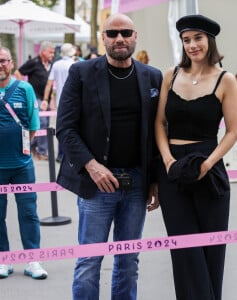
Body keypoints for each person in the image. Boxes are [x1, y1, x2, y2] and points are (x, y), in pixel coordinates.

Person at [56, 13, 163, 300]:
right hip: (97, 184)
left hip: (137, 183)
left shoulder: (152, 76)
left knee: (128, 261)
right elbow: (65, 128)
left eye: (126, 33)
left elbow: (156, 134)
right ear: (102, 37)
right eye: (113, 33)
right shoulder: (81, 73)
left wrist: (154, 181)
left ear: (135, 36)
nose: (120, 39)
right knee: (89, 261)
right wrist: (92, 167)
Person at [155, 14, 237, 300]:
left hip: (209, 167)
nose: (192, 45)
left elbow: (232, 131)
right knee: (184, 251)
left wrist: (207, 162)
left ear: (210, 41)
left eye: (198, 38)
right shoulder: (171, 75)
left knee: (211, 251)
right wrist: (168, 161)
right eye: (186, 40)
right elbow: (159, 124)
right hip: (173, 169)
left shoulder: (226, 80)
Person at [0, 46, 48, 279]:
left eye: (4, 61)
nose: (0, 65)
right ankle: (4, 259)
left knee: (28, 213)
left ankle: (32, 259)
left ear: (11, 63)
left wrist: (24, 151)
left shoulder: (25, 88)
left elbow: (34, 125)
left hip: (22, 166)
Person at [14, 41, 55, 160]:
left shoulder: (51, 64)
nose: (52, 54)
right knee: (41, 122)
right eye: (50, 52)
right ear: (43, 51)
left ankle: (32, 145)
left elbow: (50, 84)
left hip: (45, 98)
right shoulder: (34, 62)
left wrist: (51, 99)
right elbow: (18, 72)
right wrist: (24, 87)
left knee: (45, 123)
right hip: (35, 96)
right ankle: (41, 151)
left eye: (53, 52)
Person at [43, 43, 76, 163]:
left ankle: (61, 154)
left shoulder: (56, 64)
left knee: (61, 126)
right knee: (72, 127)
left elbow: (49, 83)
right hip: (73, 100)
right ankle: (69, 155)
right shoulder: (73, 64)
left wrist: (46, 99)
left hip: (60, 101)